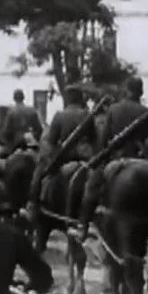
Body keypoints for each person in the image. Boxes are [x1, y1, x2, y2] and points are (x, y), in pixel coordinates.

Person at [79, 76, 148, 230]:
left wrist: (99, 158)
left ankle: (83, 224)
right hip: (142, 160)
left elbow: (103, 141)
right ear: (140, 92)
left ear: (126, 91)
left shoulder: (114, 109)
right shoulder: (146, 112)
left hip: (118, 159)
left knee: (91, 187)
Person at [26, 85, 97, 222]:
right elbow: (94, 140)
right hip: (85, 160)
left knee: (39, 171)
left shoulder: (59, 116)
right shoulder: (88, 115)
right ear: (80, 98)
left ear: (68, 98)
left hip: (64, 158)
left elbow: (51, 141)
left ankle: (33, 203)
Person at [0, 89, 44, 157]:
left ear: (14, 98)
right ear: (23, 97)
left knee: (2, 157)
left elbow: (7, 131)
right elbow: (39, 129)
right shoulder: (32, 110)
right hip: (30, 143)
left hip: (16, 145)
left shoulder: (11, 112)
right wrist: (34, 139)